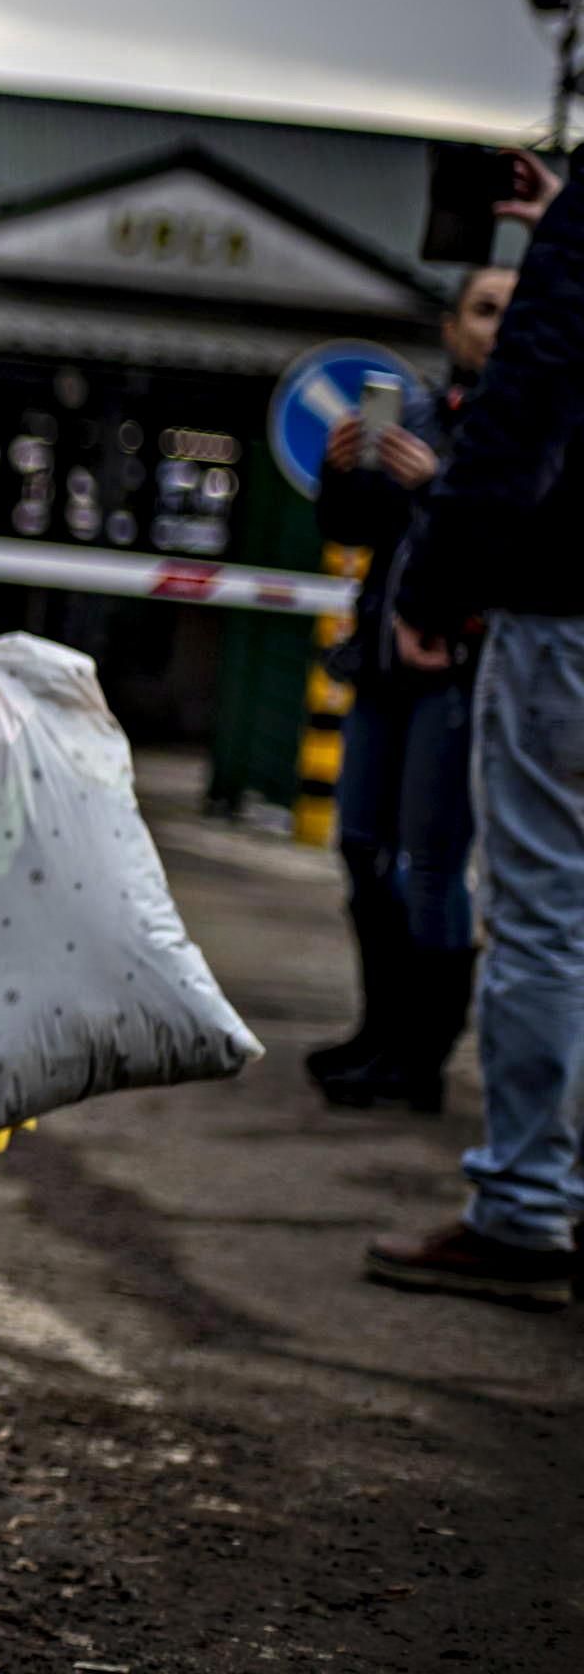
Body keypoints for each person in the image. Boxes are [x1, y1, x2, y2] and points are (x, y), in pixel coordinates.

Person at [370, 149, 583, 1310]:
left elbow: (531, 400)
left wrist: (435, 581)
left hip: (567, 608)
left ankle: (523, 1206)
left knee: (545, 911)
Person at [306, 264, 515, 1111]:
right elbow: (355, 529)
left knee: (430, 866)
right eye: (483, 309)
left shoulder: (526, 428)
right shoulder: (418, 414)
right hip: (383, 668)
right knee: (361, 846)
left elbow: (511, 546)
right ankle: (380, 1032)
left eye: (513, 311)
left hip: (458, 668)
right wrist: (341, 474)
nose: (498, 327)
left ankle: (420, 1058)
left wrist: (436, 486)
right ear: (450, 326)